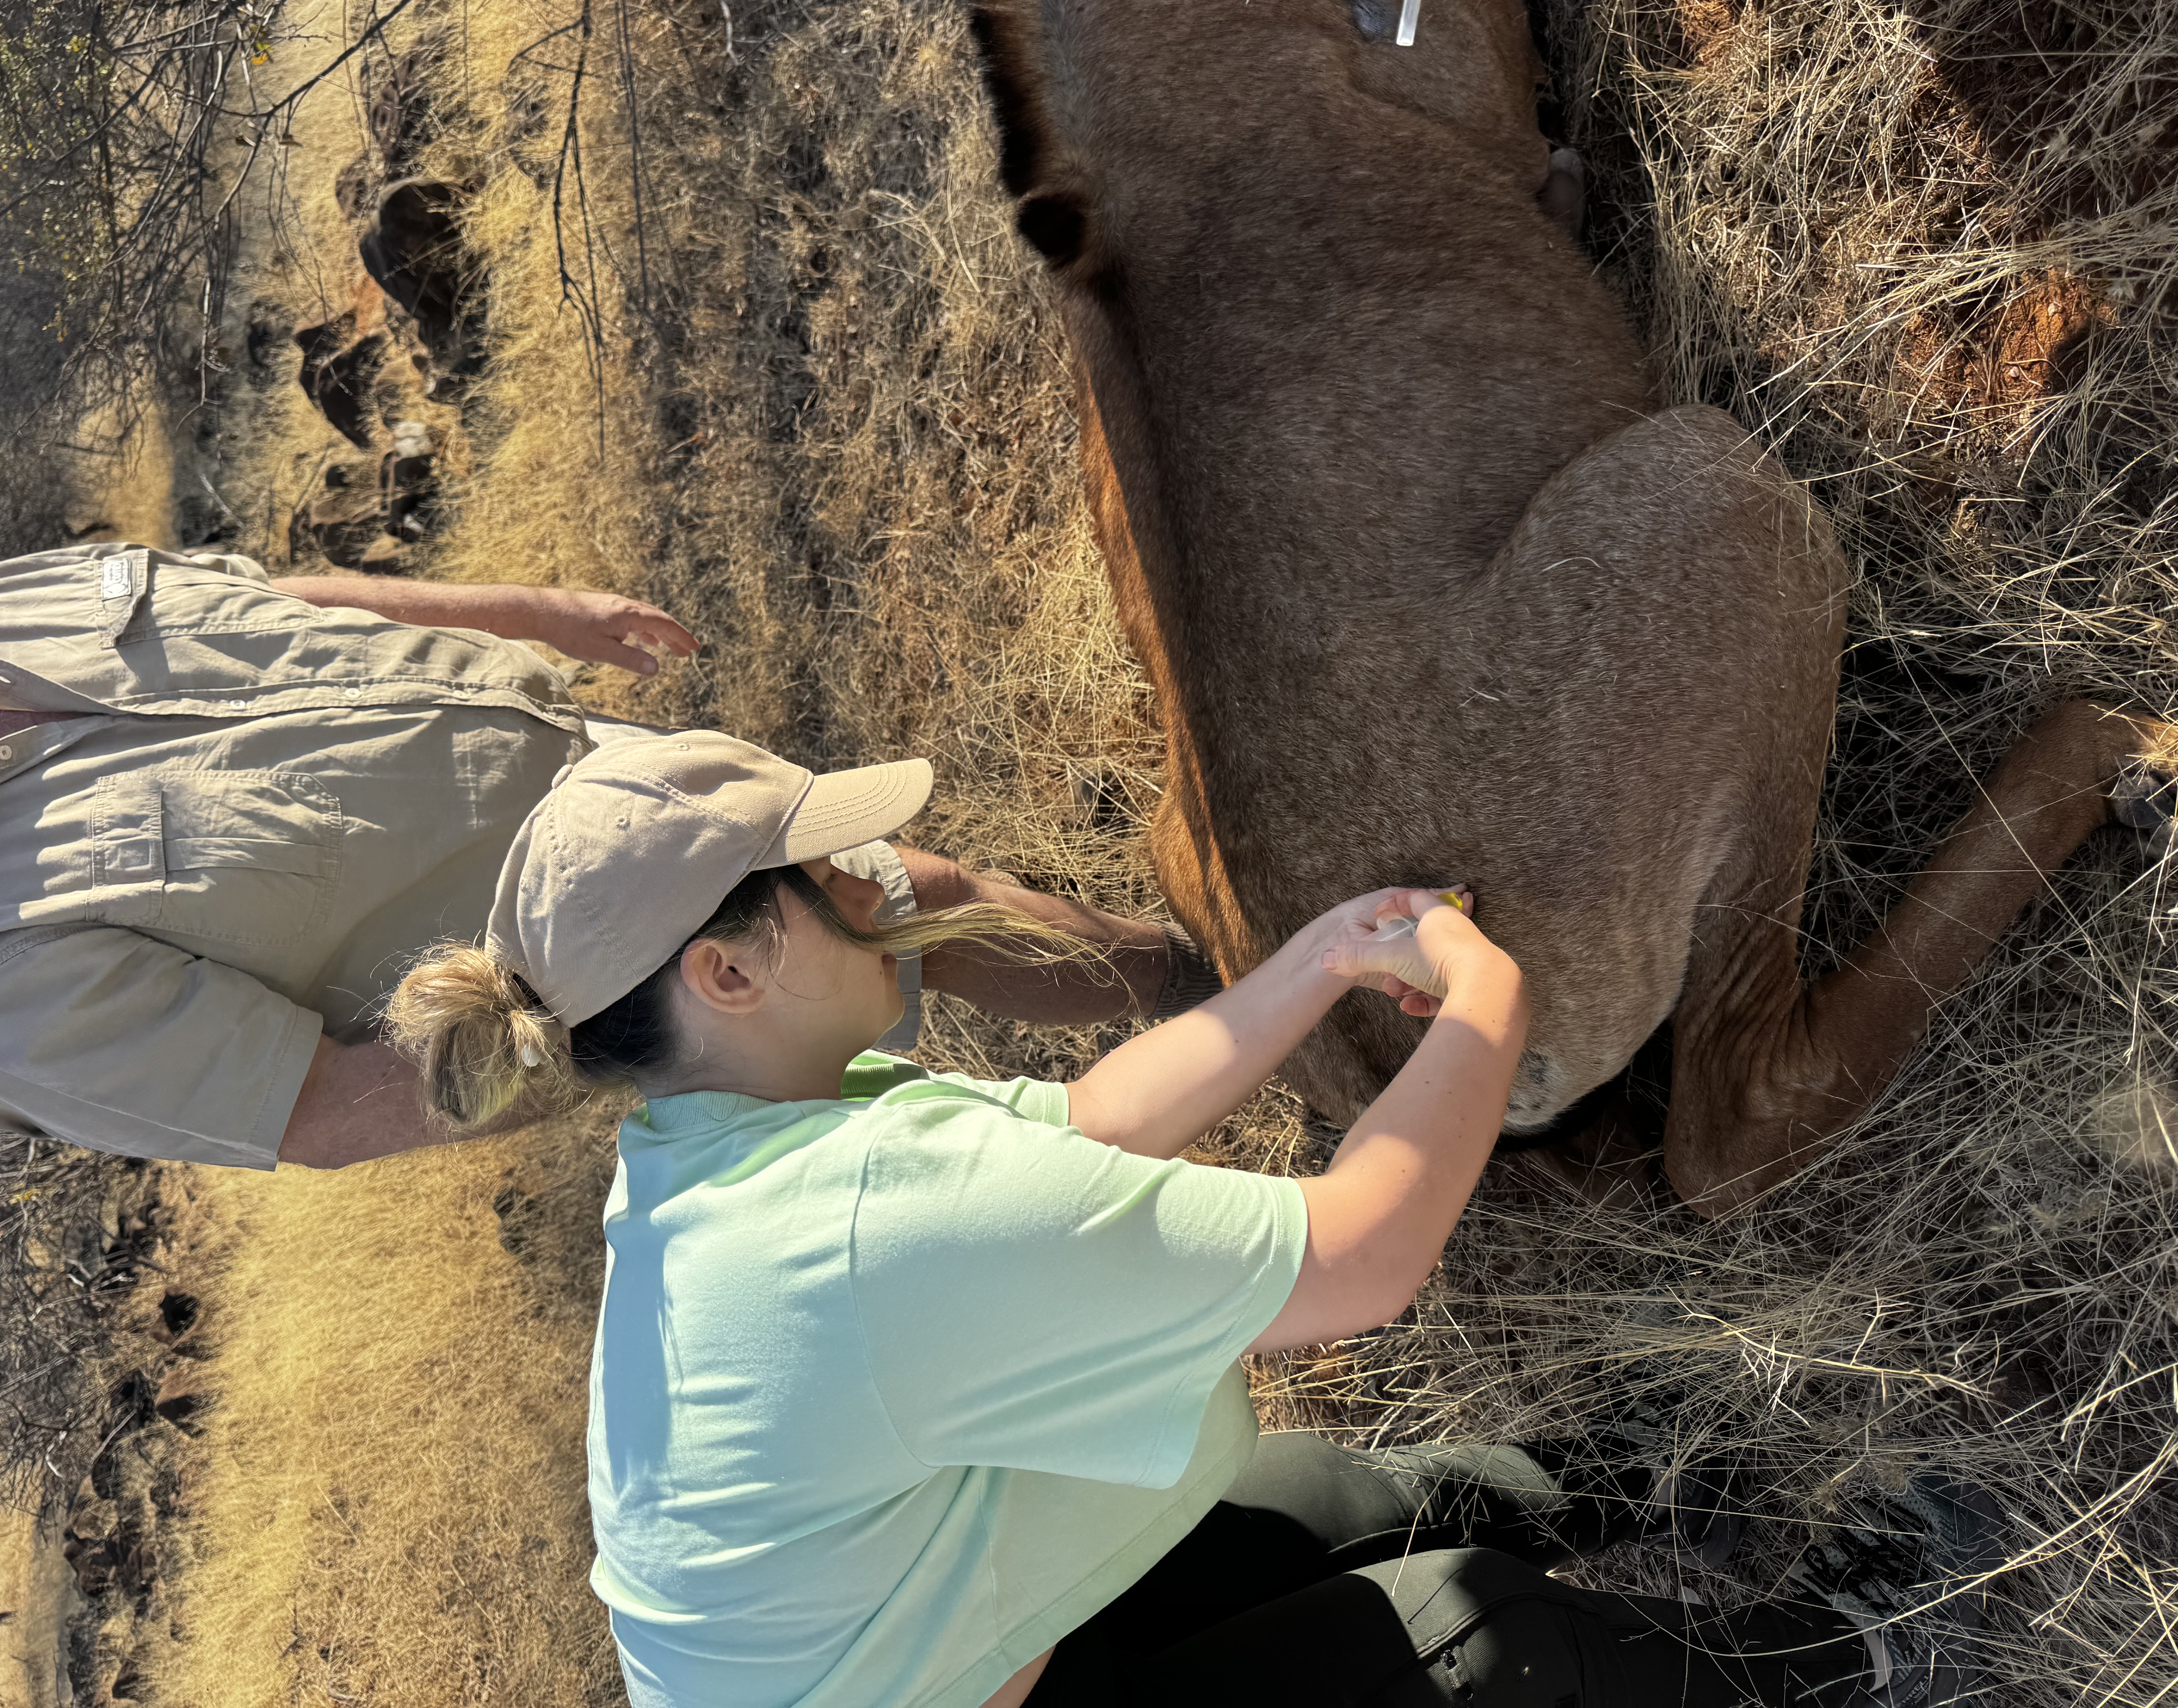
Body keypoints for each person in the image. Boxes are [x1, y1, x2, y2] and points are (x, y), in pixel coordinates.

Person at [387, 731, 2000, 1708]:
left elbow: (1085, 1124)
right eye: (844, 876)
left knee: (1339, 1499)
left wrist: (1311, 966)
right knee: (1469, 1642)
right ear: (727, 972)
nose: (895, 881)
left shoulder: (722, 1145)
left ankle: (1724, 1488)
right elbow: (1362, 1254)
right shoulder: (859, 1223)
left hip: (953, 1656)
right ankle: (1858, 1655)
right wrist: (1487, 1010)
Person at [0, 543, 1213, 1169]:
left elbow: (262, 598)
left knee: (925, 905)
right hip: (602, 955)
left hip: (591, 759)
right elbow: (320, 1110)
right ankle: (1239, 1004)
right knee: (927, 909)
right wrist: (610, 1026)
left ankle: (1224, 986)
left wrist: (533, 612)